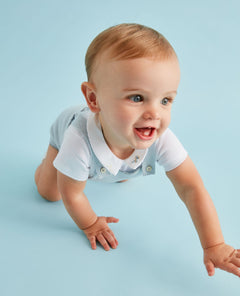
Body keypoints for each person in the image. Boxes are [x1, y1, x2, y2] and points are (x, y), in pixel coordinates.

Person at [34, 23, 240, 278]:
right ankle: (48, 163)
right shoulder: (76, 141)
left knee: (120, 174)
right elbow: (72, 194)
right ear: (93, 99)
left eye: (165, 100)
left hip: (116, 147)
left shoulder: (160, 137)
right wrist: (90, 224)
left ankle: (115, 165)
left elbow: (191, 187)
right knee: (49, 192)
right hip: (64, 133)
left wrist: (214, 244)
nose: (154, 113)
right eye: (137, 98)